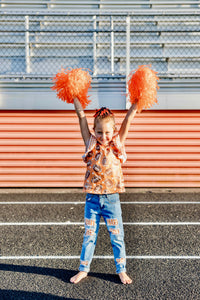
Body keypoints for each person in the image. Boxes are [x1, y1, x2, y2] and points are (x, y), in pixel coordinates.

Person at [70, 97, 137, 284]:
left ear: (113, 131)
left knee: (117, 237)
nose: (104, 136)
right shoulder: (90, 142)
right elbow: (81, 118)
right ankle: (83, 269)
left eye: (107, 132)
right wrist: (76, 99)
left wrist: (136, 103)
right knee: (89, 236)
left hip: (111, 200)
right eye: (99, 131)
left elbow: (128, 119)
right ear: (94, 131)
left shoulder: (117, 143)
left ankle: (121, 270)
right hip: (92, 199)